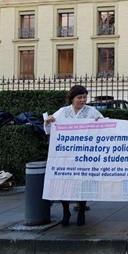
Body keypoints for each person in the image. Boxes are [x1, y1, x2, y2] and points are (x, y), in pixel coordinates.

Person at [44, 85, 103, 227]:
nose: (83, 100)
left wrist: (99, 122)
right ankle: (66, 211)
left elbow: (104, 124)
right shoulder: (63, 112)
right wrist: (49, 121)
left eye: (85, 97)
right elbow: (49, 130)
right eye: (80, 97)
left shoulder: (91, 111)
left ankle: (81, 209)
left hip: (84, 154)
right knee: (65, 182)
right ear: (72, 98)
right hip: (66, 154)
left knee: (82, 182)